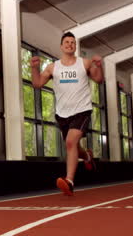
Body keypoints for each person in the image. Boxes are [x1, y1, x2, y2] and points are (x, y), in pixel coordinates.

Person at [30, 32, 104, 196]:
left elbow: (98, 79)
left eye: (72, 42)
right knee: (74, 146)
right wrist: (34, 68)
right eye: (67, 42)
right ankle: (87, 157)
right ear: (61, 46)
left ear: (75, 46)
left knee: (70, 143)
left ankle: (69, 181)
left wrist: (99, 66)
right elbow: (37, 83)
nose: (70, 44)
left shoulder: (84, 63)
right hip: (62, 113)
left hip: (82, 110)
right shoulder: (53, 67)